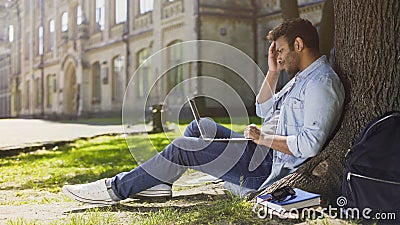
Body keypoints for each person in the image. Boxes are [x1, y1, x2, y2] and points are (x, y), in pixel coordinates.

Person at [62, 18, 345, 204]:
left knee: (184, 146)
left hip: (265, 168)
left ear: (299, 44)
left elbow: (309, 144)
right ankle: (159, 183)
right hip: (258, 151)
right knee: (201, 127)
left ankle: (115, 188)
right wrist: (272, 72)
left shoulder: (321, 84)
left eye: (281, 50)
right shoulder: (301, 78)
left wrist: (263, 140)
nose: (279, 56)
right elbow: (263, 108)